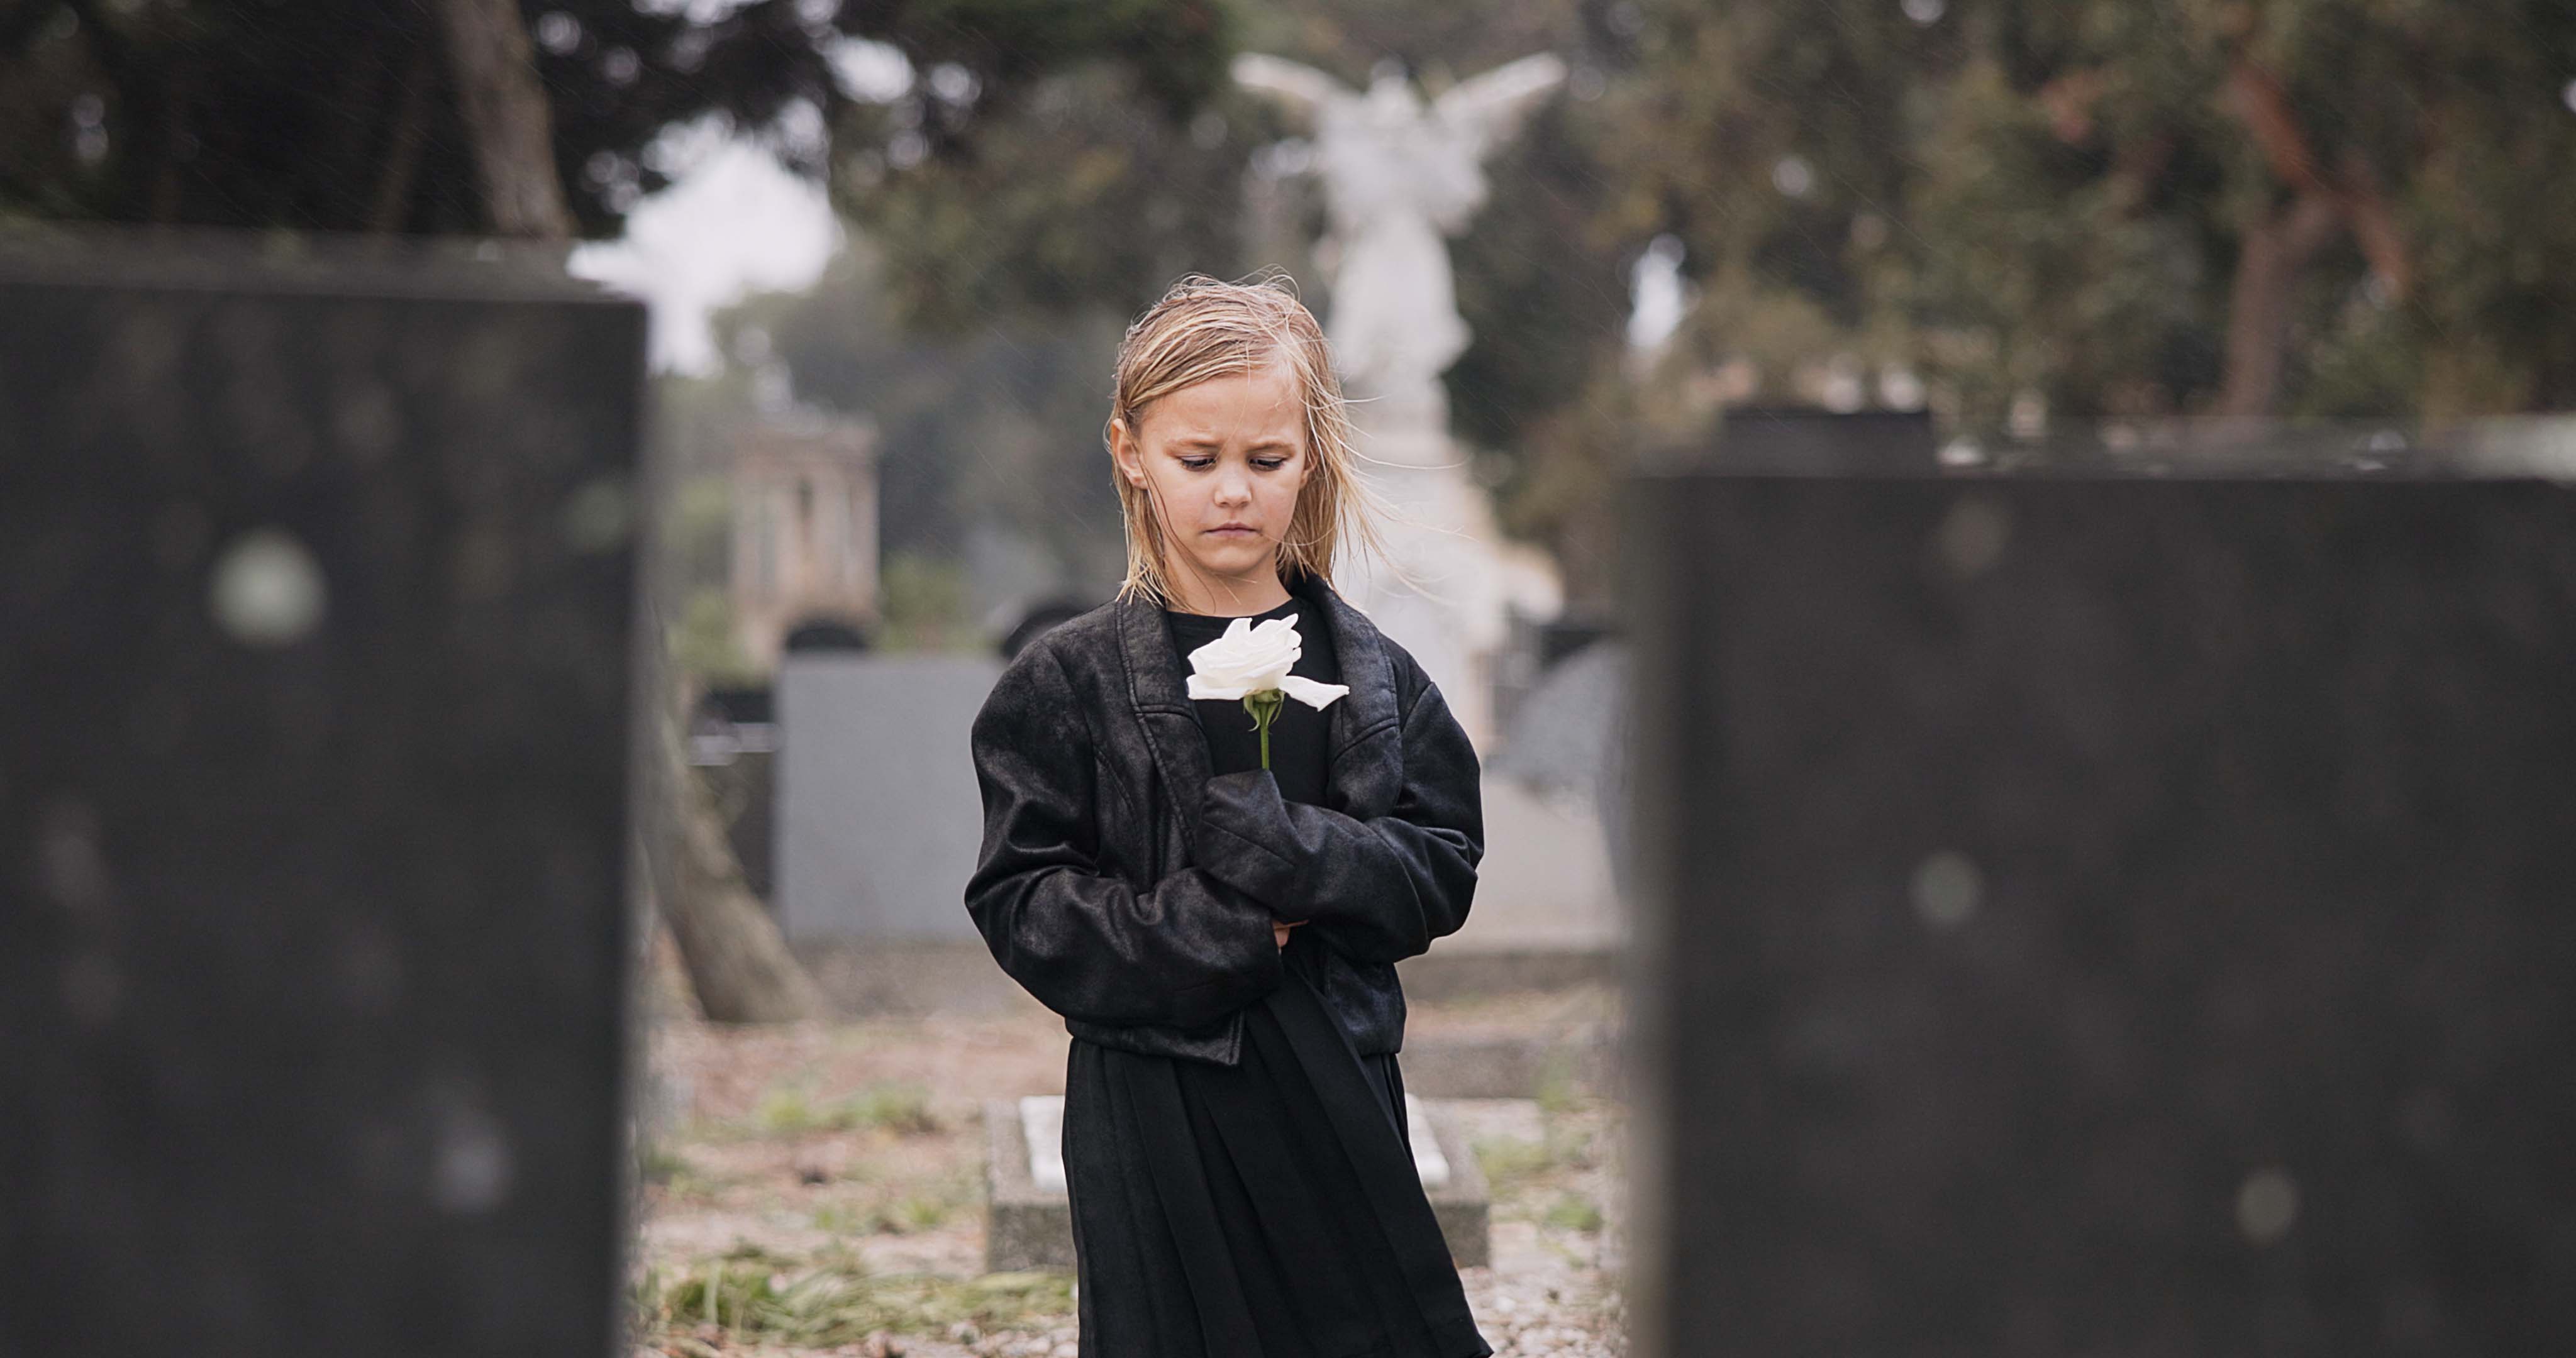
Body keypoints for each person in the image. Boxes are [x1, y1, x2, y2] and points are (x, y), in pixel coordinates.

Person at [963, 273, 1492, 1357]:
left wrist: (1308, 858)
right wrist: (1236, 931)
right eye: (1197, 461)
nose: (1233, 492)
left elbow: (1441, 865)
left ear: (1310, 458)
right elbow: (1026, 905)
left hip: (1339, 1085)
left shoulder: (1379, 677)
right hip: (1154, 1102)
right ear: (1130, 452)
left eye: (1267, 460)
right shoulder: (1063, 684)